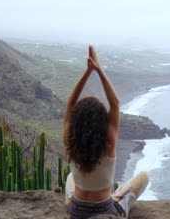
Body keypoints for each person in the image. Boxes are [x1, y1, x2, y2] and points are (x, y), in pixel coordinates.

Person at [64, 45, 149, 219]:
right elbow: (115, 103)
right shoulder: (109, 142)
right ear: (102, 122)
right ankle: (116, 198)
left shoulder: (70, 141)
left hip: (75, 211)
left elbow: (70, 104)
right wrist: (98, 69)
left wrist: (87, 72)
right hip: (106, 211)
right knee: (144, 176)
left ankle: (74, 201)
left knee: (69, 178)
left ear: (76, 122)